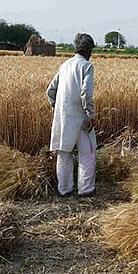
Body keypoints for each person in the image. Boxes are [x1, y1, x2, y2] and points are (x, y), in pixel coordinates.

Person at [47, 33, 96, 197]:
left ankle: (64, 189)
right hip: (81, 118)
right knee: (87, 154)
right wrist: (90, 114)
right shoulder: (86, 66)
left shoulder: (65, 65)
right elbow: (86, 93)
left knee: (64, 154)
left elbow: (50, 90)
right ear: (88, 50)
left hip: (62, 118)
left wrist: (57, 108)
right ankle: (86, 189)